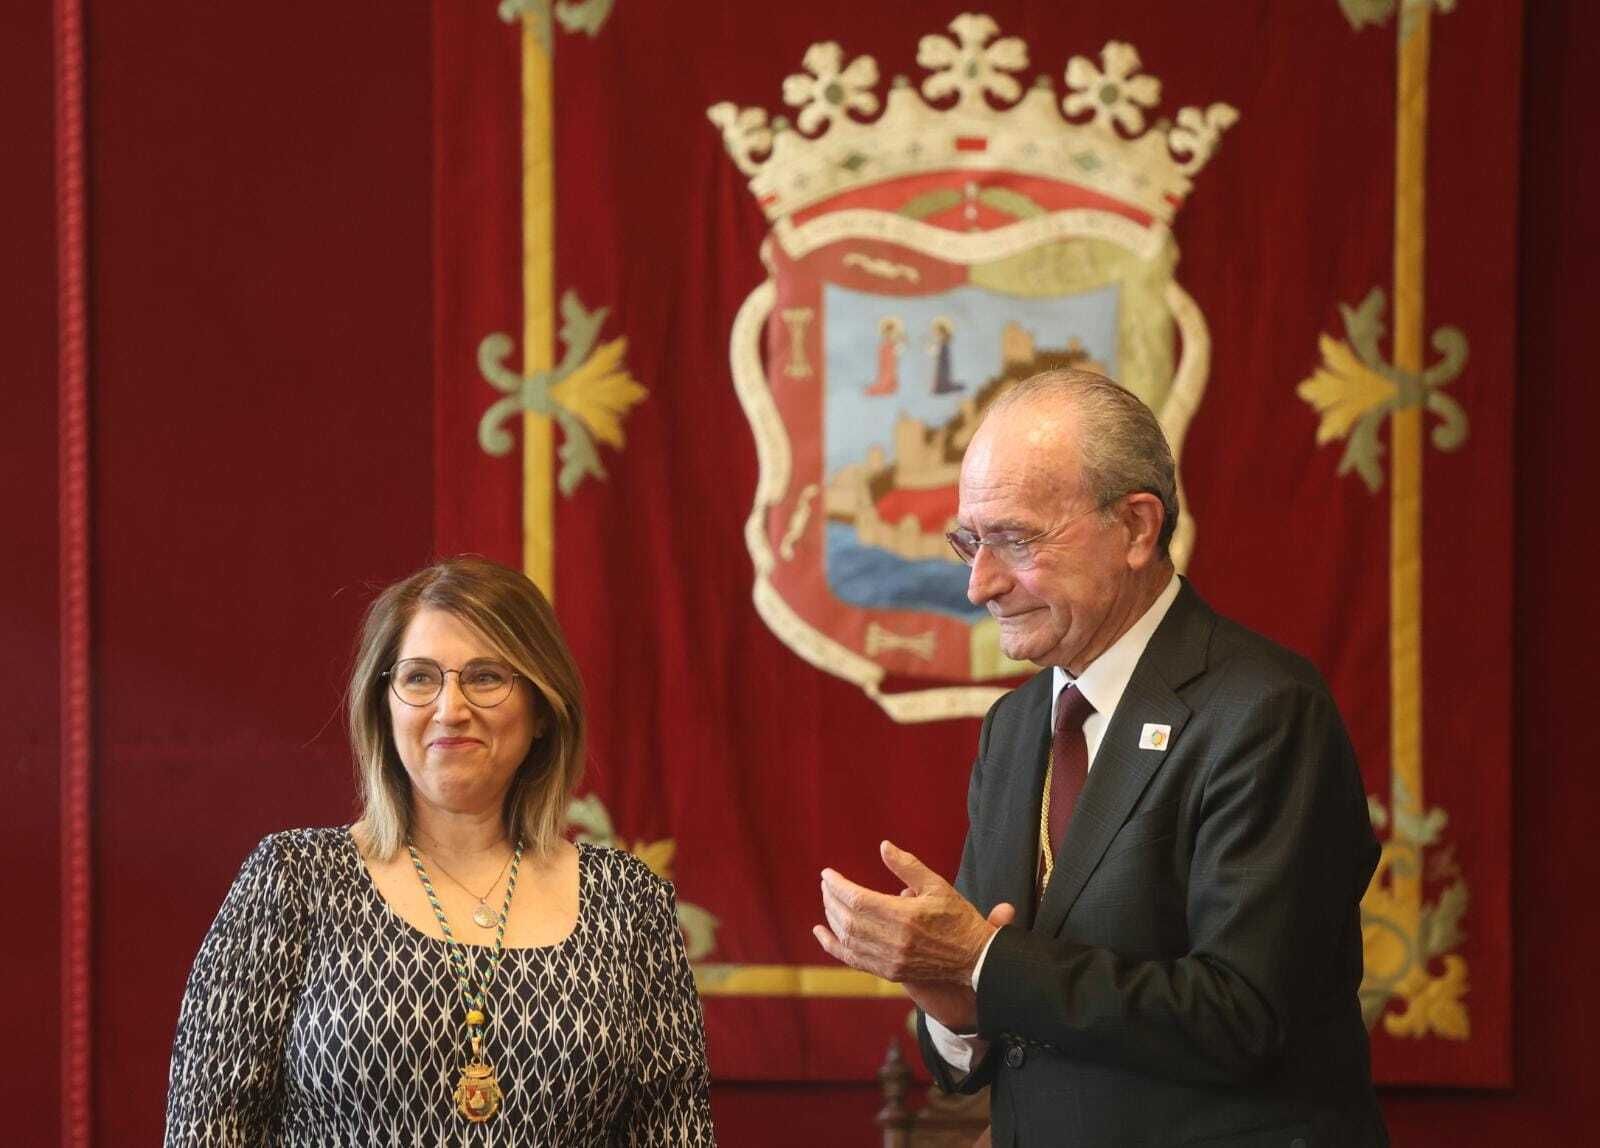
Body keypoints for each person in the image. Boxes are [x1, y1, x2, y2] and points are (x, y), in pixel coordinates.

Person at [813, 370, 1387, 1146]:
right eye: (969, 542)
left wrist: (985, 963)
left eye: (1015, 539)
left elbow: (1245, 1015)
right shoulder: (1015, 727)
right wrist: (955, 1007)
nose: (980, 583)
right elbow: (997, 1019)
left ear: (1137, 528)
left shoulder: (1265, 711)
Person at [164, 556, 716, 1146]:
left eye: (485, 676)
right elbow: (206, 1130)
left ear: (541, 711)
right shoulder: (293, 881)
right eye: (420, 677)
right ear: (385, 706)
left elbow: (674, 1133)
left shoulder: (628, 903)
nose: (450, 709)